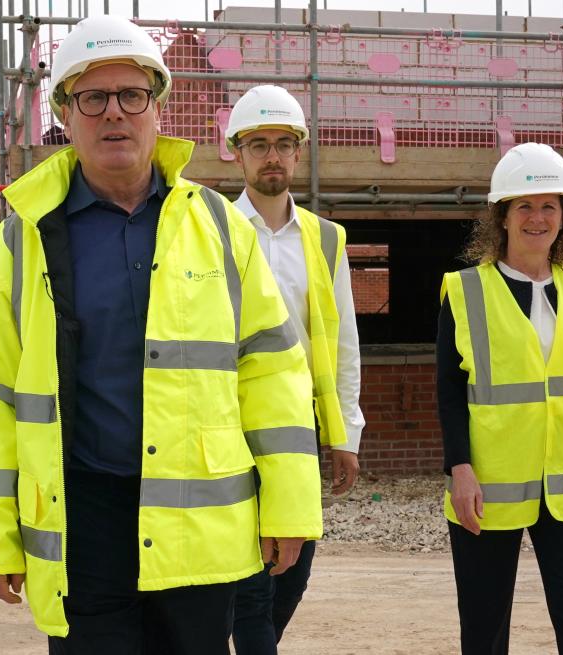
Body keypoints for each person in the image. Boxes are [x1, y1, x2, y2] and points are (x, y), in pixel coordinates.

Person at [0, 15, 323, 655]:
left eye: (131, 96)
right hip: (80, 521)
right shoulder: (18, 242)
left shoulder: (221, 230)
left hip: (198, 528)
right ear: (64, 113)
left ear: (157, 107)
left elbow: (273, 373)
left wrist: (288, 505)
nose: (113, 113)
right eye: (92, 98)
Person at [436, 142, 563, 654]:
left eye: (548, 206)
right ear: (503, 216)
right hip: (490, 484)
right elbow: (449, 390)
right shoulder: (466, 290)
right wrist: (460, 469)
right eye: (524, 206)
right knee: (485, 623)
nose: (536, 218)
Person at [225, 85, 365, 654]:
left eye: (284, 144)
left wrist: (346, 432)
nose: (272, 156)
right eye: (259, 144)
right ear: (237, 152)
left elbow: (344, 342)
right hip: (231, 424)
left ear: (299, 152)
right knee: (252, 578)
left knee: (294, 569)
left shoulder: (326, 239)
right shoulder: (213, 230)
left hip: (300, 427)